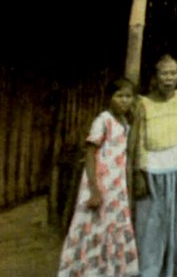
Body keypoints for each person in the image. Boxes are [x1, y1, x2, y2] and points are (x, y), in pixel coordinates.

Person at [57, 78, 139, 277]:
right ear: (109, 98)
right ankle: (85, 271)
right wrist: (94, 189)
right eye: (119, 96)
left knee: (112, 227)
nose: (124, 101)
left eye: (128, 96)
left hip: (116, 187)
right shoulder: (102, 121)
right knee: (93, 226)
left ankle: (109, 271)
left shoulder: (125, 123)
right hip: (99, 184)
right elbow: (90, 154)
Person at [132, 55, 177, 277]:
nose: (169, 78)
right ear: (155, 77)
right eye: (164, 73)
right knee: (152, 224)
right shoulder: (143, 103)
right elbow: (139, 139)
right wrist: (139, 171)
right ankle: (150, 270)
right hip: (153, 172)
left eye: (173, 73)